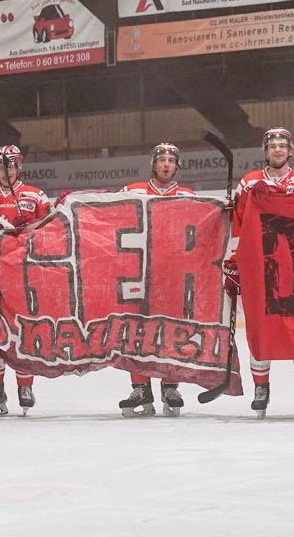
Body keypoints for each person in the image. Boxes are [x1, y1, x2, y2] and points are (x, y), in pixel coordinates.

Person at [225, 127, 294, 419]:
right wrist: (235, 257)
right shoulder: (249, 182)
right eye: (272, 146)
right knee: (261, 328)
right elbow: (239, 223)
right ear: (265, 152)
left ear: (290, 151)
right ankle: (261, 389)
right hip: (260, 267)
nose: (277, 150)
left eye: (283, 145)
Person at [115, 143, 197, 417]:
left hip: (173, 274)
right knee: (135, 330)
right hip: (137, 271)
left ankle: (170, 385)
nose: (166, 165)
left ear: (177, 166)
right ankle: (139, 386)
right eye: (161, 160)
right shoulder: (132, 190)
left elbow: (201, 229)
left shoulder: (188, 195)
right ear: (153, 164)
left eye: (171, 161)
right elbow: (108, 216)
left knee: (171, 330)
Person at [0, 145, 52, 416]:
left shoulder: (35, 195)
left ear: (20, 167)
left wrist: (35, 226)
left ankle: (25, 385)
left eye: (11, 165)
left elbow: (54, 227)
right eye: (2, 166)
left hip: (24, 273)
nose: (7, 171)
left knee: (21, 330)